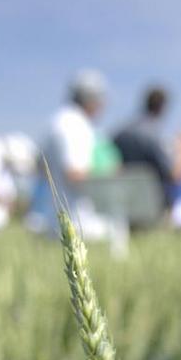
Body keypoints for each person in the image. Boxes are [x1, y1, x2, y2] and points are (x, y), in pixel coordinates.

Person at [27, 70, 112, 237]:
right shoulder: (75, 125)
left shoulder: (55, 121)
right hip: (78, 223)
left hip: (49, 219)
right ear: (91, 100)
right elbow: (75, 173)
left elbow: (38, 167)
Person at [113, 86, 174, 206]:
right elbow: (170, 174)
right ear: (161, 108)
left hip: (123, 199)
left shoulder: (121, 133)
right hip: (150, 202)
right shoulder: (153, 135)